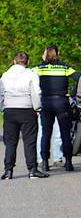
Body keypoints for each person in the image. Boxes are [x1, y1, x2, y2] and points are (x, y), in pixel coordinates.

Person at [2, 51, 46, 180]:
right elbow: (37, 92)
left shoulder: (5, 75)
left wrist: (3, 107)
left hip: (10, 110)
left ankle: (8, 171)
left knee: (10, 142)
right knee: (29, 141)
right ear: (28, 62)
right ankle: (32, 170)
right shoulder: (31, 74)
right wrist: (37, 108)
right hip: (27, 110)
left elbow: (1, 92)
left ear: (14, 61)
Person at [35, 46, 77, 173]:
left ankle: (44, 163)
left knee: (46, 134)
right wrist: (74, 93)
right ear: (57, 54)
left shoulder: (40, 69)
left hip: (46, 102)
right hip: (62, 102)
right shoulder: (65, 68)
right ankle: (68, 162)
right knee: (65, 133)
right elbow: (80, 77)